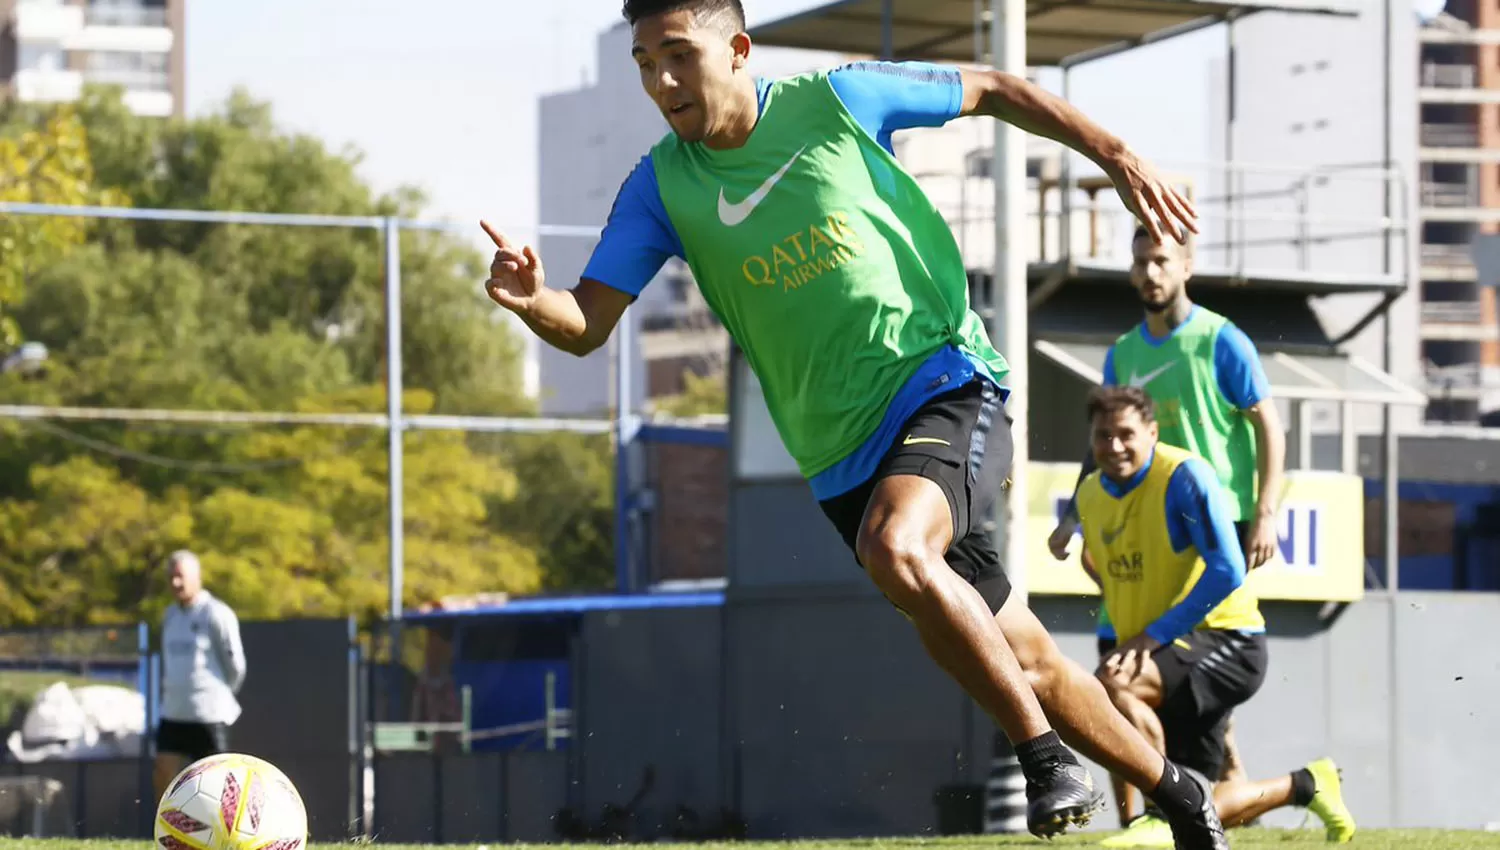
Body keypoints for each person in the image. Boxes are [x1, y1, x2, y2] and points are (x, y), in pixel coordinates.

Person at [481, 0, 1228, 845]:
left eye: (678, 55)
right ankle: (1181, 793)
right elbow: (586, 323)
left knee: (896, 546)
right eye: (645, 62)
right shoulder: (660, 186)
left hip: (944, 381)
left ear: (737, 49)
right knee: (1027, 656)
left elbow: (994, 87)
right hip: (840, 457)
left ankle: (1045, 759)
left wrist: (1118, 154)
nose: (661, 80)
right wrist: (530, 300)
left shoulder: (836, 101)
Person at [1047, 224, 1287, 826]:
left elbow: (1269, 427)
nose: (1150, 273)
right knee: (1146, 677)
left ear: (1185, 266)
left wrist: (1266, 511)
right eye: (1140, 262)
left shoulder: (1220, 340)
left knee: (1168, 669)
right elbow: (1100, 437)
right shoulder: (1123, 352)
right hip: (1141, 520)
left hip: (1211, 528)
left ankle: (1192, 808)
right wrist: (1077, 515)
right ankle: (1215, 804)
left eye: (1161, 261)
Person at [1074, 386, 1356, 847]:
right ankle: (1308, 784)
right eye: (1103, 436)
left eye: (1126, 434)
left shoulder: (1184, 476)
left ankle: (1147, 821)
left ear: (1152, 431)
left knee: (1111, 686)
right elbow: (1100, 560)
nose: (1115, 446)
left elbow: (1228, 569)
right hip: (1166, 647)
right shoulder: (1089, 493)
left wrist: (1149, 636)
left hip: (1228, 640)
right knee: (1208, 797)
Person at [154, 550, 247, 799]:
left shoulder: (216, 613)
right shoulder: (169, 615)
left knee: (215, 780)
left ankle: (222, 833)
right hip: (174, 711)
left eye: (180, 576)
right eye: (171, 577)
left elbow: (235, 665)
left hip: (208, 714)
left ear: (197, 577)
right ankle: (165, 829)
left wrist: (217, 695)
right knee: (163, 770)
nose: (175, 583)